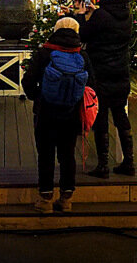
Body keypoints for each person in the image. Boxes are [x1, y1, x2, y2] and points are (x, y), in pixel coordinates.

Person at [22, 17, 94, 213]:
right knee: (67, 155)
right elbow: (91, 85)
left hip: (46, 112)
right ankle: (66, 199)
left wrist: (37, 96)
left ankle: (45, 200)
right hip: (71, 113)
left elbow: (28, 80)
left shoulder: (45, 52)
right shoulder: (82, 54)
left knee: (45, 155)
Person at [77, 0, 134, 178]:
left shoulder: (101, 16)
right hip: (121, 71)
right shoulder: (126, 14)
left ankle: (103, 165)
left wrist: (83, 15)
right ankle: (129, 162)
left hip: (101, 71)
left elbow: (83, 34)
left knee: (100, 117)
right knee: (120, 115)